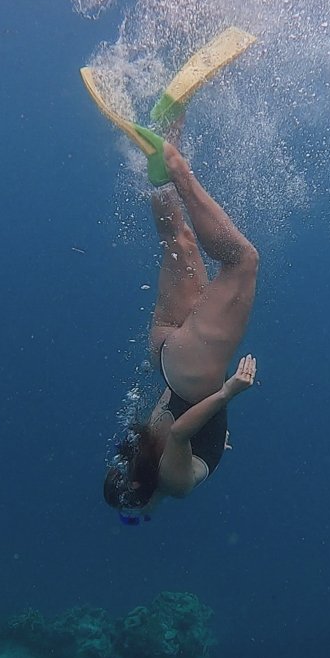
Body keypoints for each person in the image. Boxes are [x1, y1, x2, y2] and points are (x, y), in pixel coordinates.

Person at [104, 139, 259, 523]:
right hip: (164, 353)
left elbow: (177, 434)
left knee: (242, 261)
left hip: (193, 372)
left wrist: (228, 392)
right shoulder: (149, 464)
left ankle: (176, 168)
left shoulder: (174, 485)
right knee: (178, 239)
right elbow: (169, 436)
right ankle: (157, 157)